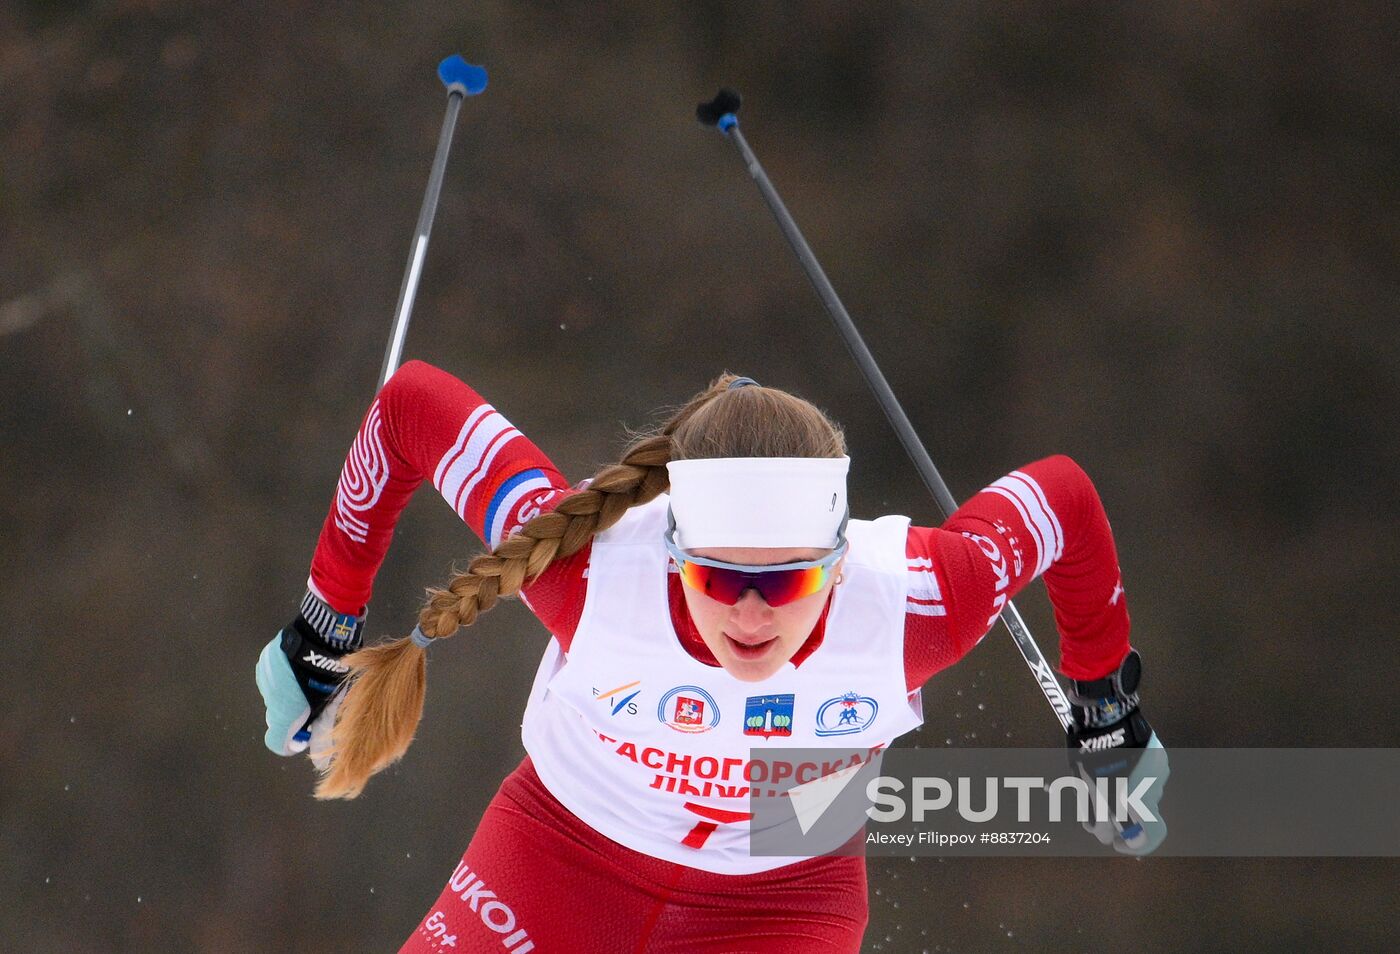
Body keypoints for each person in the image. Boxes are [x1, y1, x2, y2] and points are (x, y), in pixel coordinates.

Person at [256, 361, 1160, 952]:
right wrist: (322, 626)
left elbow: (1066, 502)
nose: (755, 618)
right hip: (560, 853)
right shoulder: (591, 567)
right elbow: (410, 406)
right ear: (673, 551)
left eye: (794, 584)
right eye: (721, 581)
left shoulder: (918, 597)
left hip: (784, 895)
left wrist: (1106, 706)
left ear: (840, 562)